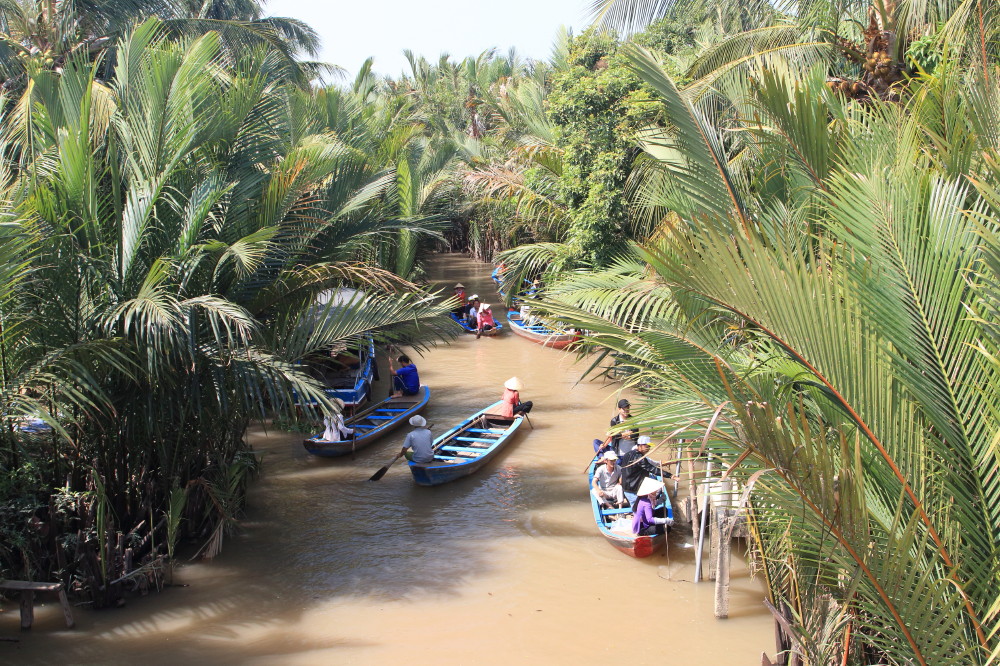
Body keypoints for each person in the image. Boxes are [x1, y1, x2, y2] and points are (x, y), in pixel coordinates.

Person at [620, 435, 671, 503]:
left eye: (649, 446)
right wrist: (670, 475)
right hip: (634, 490)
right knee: (643, 508)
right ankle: (657, 502)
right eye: (647, 446)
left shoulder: (627, 454)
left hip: (627, 489)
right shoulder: (639, 457)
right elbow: (652, 469)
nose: (648, 448)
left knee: (638, 508)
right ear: (640, 445)